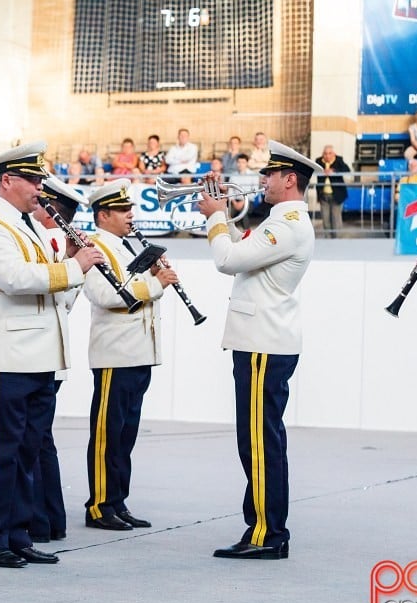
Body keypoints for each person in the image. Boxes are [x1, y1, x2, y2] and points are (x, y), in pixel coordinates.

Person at [0, 141, 104, 568]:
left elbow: (53, 290)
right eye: (32, 179)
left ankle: (19, 533)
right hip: (4, 359)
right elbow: (14, 278)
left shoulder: (29, 225)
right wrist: (74, 267)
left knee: (27, 453)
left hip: (39, 357)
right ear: (7, 180)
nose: (40, 187)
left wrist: (74, 269)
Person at [198, 140, 320, 560]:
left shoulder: (285, 225)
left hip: (263, 345)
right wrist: (220, 216)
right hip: (263, 342)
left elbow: (227, 260)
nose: (262, 179)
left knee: (260, 443)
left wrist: (215, 218)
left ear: (290, 179)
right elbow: (241, 253)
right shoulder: (280, 223)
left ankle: (267, 533)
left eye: (270, 174)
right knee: (258, 441)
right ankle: (264, 528)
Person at [84, 179, 176, 532]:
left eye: (130, 208)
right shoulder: (95, 247)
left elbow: (131, 288)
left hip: (137, 351)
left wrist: (154, 273)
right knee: (108, 433)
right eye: (122, 210)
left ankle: (117, 501)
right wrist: (157, 284)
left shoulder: (123, 247)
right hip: (114, 353)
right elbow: (107, 295)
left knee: (125, 434)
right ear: (103, 214)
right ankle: (99, 504)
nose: (130, 215)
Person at [29, 176, 89, 542]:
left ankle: (40, 520)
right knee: (42, 441)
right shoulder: (65, 246)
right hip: (52, 353)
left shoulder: (48, 241)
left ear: (50, 211)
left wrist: (68, 261)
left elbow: (55, 299)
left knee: (33, 443)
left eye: (39, 204)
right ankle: (52, 519)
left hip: (39, 352)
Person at [314, 145, 351, 237]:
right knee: (325, 220)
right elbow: (313, 171)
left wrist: (333, 170)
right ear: (323, 154)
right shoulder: (318, 161)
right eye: (325, 153)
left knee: (336, 220)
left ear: (333, 154)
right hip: (323, 196)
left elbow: (347, 170)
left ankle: (336, 240)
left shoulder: (339, 160)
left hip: (337, 195)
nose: (327, 156)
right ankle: (328, 239)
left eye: (330, 153)